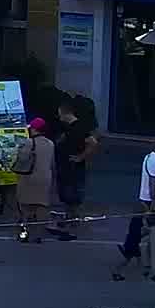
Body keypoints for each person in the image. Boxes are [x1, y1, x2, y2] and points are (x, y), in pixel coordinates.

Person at [114, 133, 155, 281]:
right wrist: (154, 205)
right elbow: (153, 184)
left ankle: (143, 266)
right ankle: (121, 269)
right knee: (144, 234)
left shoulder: (149, 157)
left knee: (140, 232)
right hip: (147, 203)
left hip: (143, 202)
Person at [50, 100, 99, 241]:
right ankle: (69, 220)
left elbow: (93, 143)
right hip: (66, 166)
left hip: (72, 167)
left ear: (66, 113)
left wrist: (80, 157)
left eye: (60, 114)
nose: (59, 117)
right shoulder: (67, 128)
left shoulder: (80, 127)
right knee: (67, 195)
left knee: (72, 195)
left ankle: (72, 223)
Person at [14, 118, 55, 241]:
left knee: (26, 207)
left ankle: (26, 233)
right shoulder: (50, 143)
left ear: (34, 129)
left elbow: (22, 159)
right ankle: (39, 234)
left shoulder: (29, 142)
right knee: (41, 207)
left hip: (29, 178)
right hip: (45, 178)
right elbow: (52, 163)